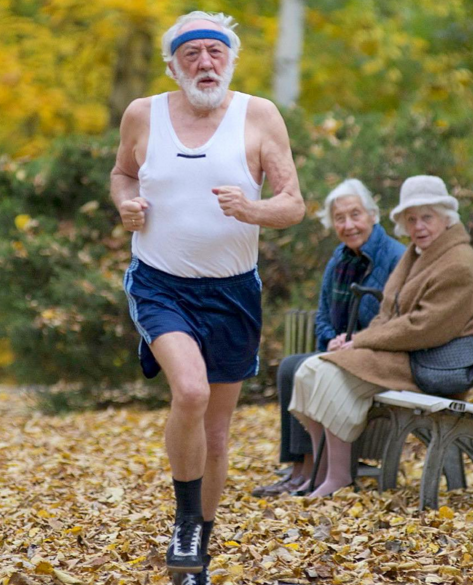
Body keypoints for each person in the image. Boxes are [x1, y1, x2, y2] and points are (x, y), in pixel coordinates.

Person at [110, 11, 304, 584]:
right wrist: (126, 205)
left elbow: (293, 203)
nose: (204, 62)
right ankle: (184, 525)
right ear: (173, 65)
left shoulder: (259, 115)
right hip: (159, 282)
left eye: (214, 52)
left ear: (231, 59)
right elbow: (122, 174)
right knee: (189, 392)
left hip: (233, 291)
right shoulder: (143, 114)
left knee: (217, 435)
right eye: (191, 53)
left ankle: (198, 546)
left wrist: (254, 209)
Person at [289, 175, 473, 497]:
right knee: (309, 371)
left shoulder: (459, 263)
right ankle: (323, 471)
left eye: (427, 217)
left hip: (432, 363)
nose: (418, 226)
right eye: (411, 219)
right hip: (406, 354)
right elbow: (388, 311)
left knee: (325, 372)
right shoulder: (418, 253)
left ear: (446, 218)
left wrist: (362, 341)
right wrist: (354, 340)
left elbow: (424, 327)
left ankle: (338, 477)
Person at [252, 179, 405, 497]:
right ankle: (300, 469)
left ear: (373, 215)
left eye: (355, 215)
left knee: (299, 368)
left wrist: (357, 339)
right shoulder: (339, 259)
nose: (348, 225)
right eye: (339, 218)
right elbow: (322, 315)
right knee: (290, 366)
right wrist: (332, 338)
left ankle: (314, 469)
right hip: (343, 349)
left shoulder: (394, 257)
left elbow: (396, 319)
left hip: (376, 354)